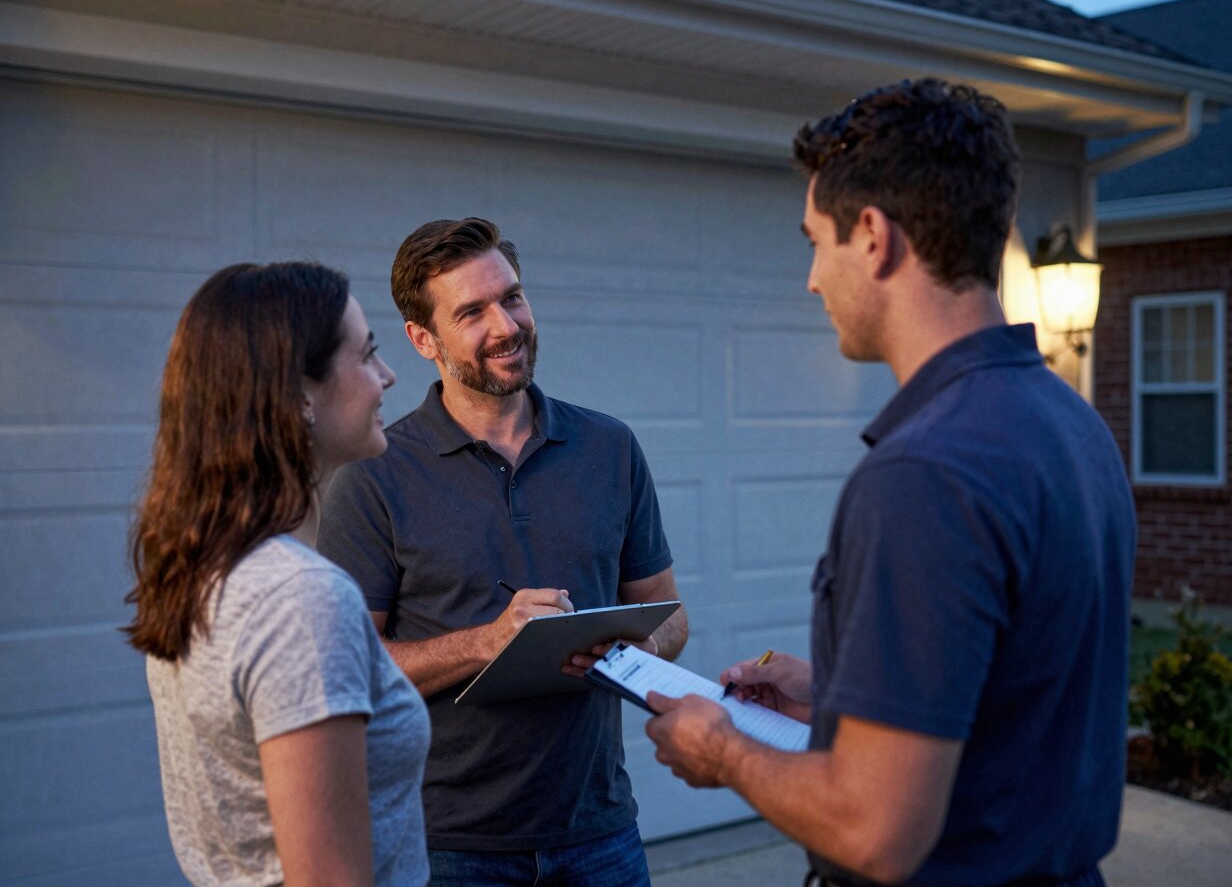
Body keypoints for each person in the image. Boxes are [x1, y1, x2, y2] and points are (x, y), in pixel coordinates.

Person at [644, 79, 1136, 887]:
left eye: (814, 242)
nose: (810, 280)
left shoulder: (924, 474)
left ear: (872, 235)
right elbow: (1015, 700)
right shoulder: (1072, 422)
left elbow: (875, 832)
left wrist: (720, 747)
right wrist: (842, 699)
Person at [318, 217, 689, 886]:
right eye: (472, 312)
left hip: (602, 832)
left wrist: (633, 657)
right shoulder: (376, 473)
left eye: (511, 297)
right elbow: (351, 671)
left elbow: (667, 614)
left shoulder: (610, 447)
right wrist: (485, 643)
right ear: (422, 338)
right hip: (452, 847)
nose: (507, 325)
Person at [125, 262, 430, 887]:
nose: (389, 376)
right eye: (368, 354)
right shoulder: (301, 599)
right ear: (298, 396)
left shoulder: (204, 569)